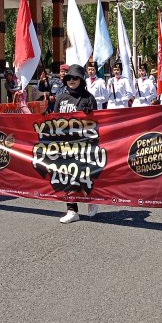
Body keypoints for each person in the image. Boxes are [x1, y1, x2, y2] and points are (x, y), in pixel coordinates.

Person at [53, 64, 99, 223]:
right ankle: (72, 210)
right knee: (67, 176)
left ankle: (91, 199)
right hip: (65, 144)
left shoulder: (89, 98)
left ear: (81, 79)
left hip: (83, 144)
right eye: (69, 78)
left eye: (75, 78)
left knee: (85, 175)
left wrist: (90, 114)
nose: (72, 80)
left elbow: (97, 123)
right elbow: (54, 120)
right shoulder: (61, 98)